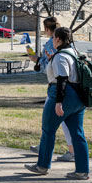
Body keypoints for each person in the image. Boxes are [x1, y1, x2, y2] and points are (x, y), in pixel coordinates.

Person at [25, 27, 90, 180]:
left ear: (58, 39)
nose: (52, 39)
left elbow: (62, 79)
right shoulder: (73, 53)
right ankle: (82, 170)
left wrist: (58, 103)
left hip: (61, 95)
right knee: (78, 134)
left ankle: (42, 166)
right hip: (78, 98)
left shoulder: (60, 57)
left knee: (48, 131)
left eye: (53, 37)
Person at [28, 17, 75, 162]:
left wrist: (36, 60)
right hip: (69, 87)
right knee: (62, 122)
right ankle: (45, 146)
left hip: (58, 87)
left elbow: (50, 65)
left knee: (54, 121)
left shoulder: (52, 44)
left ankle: (65, 152)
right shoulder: (68, 43)